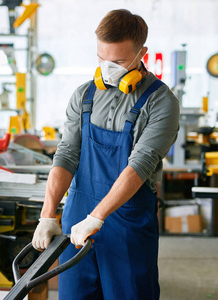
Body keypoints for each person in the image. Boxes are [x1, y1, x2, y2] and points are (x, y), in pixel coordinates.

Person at [32, 9, 180, 300]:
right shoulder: (84, 95)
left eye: (119, 61)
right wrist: (48, 214)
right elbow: (67, 153)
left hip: (128, 222)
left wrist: (98, 216)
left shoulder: (161, 102)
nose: (109, 68)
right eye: (102, 59)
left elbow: (140, 165)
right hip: (77, 219)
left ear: (142, 53)